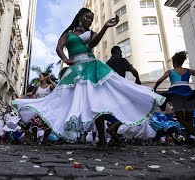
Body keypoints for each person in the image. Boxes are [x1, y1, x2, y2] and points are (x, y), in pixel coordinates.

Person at [14, 8, 165, 148]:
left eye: (91, 19)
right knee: (60, 100)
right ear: (80, 17)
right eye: (87, 17)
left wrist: (105, 27)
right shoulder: (69, 34)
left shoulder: (91, 33)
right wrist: (66, 60)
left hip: (93, 68)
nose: (89, 21)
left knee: (96, 102)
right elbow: (59, 47)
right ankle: (49, 130)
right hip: (75, 71)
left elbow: (93, 43)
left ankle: (101, 139)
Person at [153, 51, 195, 145]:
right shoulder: (189, 70)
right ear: (182, 62)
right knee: (189, 118)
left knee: (180, 117)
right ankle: (189, 140)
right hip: (188, 93)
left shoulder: (170, 71)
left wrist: (155, 88)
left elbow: (160, 80)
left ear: (174, 62)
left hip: (176, 93)